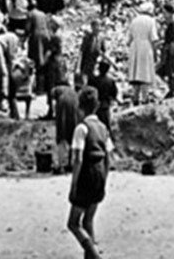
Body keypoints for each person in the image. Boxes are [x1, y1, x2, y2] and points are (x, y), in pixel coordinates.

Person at [67, 86, 113, 259]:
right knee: (88, 220)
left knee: (73, 223)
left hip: (86, 175)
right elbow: (109, 158)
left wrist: (74, 185)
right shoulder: (103, 128)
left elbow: (78, 159)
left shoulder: (81, 128)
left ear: (80, 107)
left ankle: (95, 255)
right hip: (100, 174)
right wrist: (104, 180)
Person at [126, 1, 159, 104]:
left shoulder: (134, 21)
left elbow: (128, 40)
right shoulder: (151, 21)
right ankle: (145, 98)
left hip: (134, 47)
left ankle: (135, 97)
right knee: (145, 73)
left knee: (135, 73)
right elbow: (154, 39)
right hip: (146, 47)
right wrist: (155, 53)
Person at [53, 76, 82, 174]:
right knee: (72, 137)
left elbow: (52, 102)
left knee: (61, 137)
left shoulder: (56, 90)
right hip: (75, 110)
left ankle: (60, 165)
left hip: (62, 108)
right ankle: (70, 163)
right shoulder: (73, 92)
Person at [159, 3, 174, 98]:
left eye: (164, 12)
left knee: (171, 67)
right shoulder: (173, 23)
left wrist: (166, 47)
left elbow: (172, 38)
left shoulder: (173, 23)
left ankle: (173, 89)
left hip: (171, 47)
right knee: (171, 67)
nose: (163, 15)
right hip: (172, 46)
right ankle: (172, 88)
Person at [91, 61, 118, 135]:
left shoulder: (93, 80)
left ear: (99, 69)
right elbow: (114, 93)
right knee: (106, 126)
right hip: (106, 105)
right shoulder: (110, 81)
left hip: (95, 106)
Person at [79, 20, 107, 85]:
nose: (97, 29)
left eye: (98, 27)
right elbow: (81, 52)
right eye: (95, 27)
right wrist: (78, 67)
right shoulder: (87, 38)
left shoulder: (101, 38)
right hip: (86, 63)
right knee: (85, 82)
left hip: (95, 64)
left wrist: (101, 62)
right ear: (92, 28)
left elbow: (104, 51)